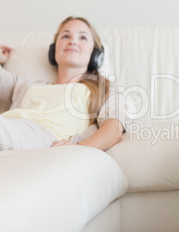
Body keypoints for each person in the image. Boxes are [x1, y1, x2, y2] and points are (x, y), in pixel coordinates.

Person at [0, 16, 130, 151]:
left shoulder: (103, 88)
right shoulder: (25, 85)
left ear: (95, 54)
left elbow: (114, 129)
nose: (73, 41)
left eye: (83, 38)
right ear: (53, 49)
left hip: (47, 139)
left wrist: (76, 149)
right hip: (8, 126)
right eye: (66, 36)